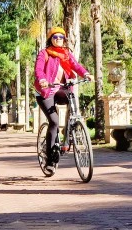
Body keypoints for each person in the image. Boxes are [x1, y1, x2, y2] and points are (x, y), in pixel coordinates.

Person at [34, 27, 92, 167]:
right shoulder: (44, 53)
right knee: (54, 122)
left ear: (64, 39)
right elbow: (39, 69)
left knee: (72, 103)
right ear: (50, 39)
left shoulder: (66, 54)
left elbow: (76, 66)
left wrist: (86, 74)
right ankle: (49, 160)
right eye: (55, 37)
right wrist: (42, 79)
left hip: (61, 89)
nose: (58, 39)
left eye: (61, 37)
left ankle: (66, 141)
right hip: (45, 91)